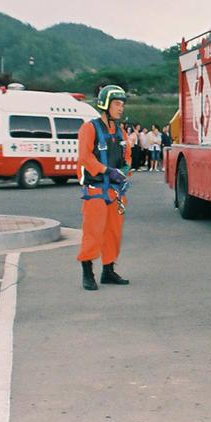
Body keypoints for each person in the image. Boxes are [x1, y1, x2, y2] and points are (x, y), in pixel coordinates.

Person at [77, 85, 133, 291]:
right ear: (105, 105)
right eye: (117, 104)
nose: (121, 108)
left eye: (122, 104)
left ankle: (108, 271)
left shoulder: (120, 132)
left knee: (113, 232)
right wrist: (107, 171)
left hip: (116, 191)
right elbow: (84, 157)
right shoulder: (89, 128)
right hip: (95, 190)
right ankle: (87, 272)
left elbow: (127, 157)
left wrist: (125, 170)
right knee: (93, 232)